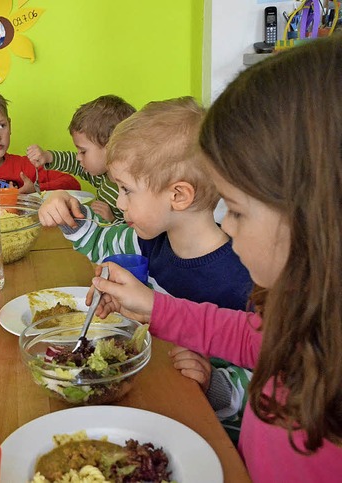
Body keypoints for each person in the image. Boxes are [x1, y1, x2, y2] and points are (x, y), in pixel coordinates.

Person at [89, 36, 342, 481]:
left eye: (238, 211)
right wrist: (153, 306)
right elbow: (252, 339)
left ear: (316, 218)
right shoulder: (303, 314)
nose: (227, 227)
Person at [39, 96, 253, 443]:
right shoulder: (151, 240)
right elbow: (99, 240)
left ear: (178, 196)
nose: (119, 203)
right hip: (153, 396)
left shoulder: (242, 280)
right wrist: (67, 213)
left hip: (211, 436)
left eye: (127, 190)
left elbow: (266, 390)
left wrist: (214, 383)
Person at [27, 95, 136, 223]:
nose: (78, 157)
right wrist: (48, 157)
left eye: (83, 151)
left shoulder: (130, 190)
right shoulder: (103, 177)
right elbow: (74, 164)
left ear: (111, 148)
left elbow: (137, 234)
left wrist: (112, 220)